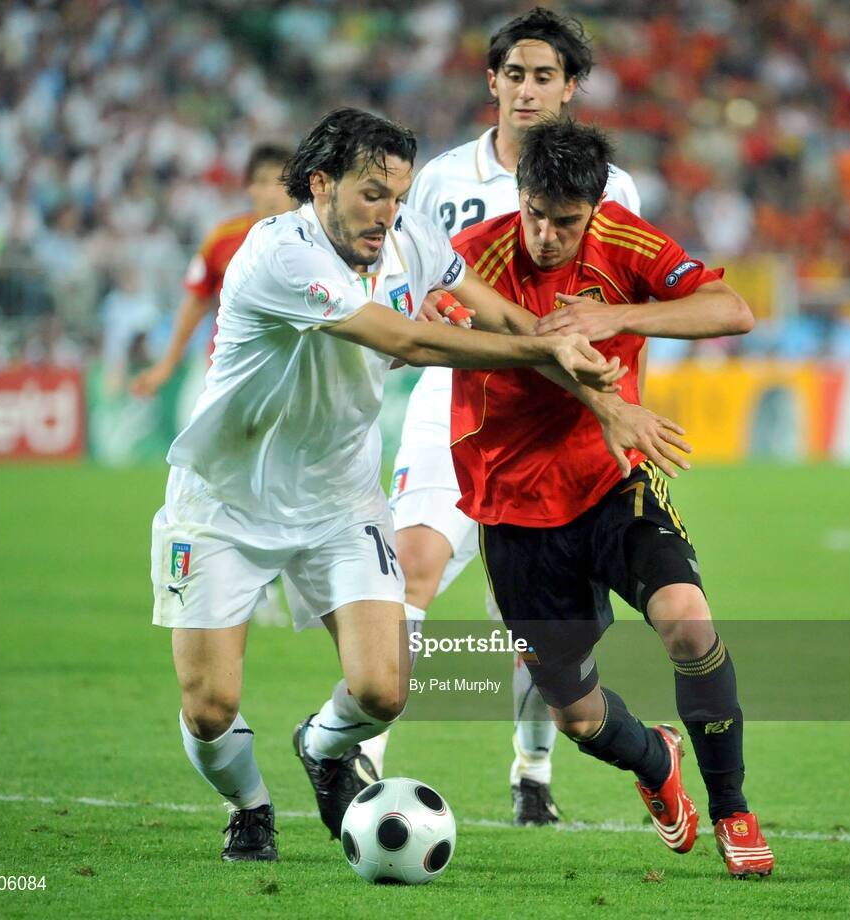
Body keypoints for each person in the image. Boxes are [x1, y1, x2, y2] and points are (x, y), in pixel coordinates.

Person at [149, 107, 678, 863]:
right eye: (371, 194)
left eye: (398, 195)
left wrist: (574, 363)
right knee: (210, 708)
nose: (388, 214)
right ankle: (250, 805)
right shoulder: (280, 255)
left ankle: (324, 747)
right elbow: (410, 338)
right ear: (320, 185)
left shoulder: (411, 238)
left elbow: (500, 313)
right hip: (225, 502)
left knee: (384, 690)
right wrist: (540, 356)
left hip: (341, 500)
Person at [449, 118, 774, 879]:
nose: (547, 235)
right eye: (535, 213)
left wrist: (618, 313)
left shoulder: (625, 241)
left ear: (594, 209)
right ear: (517, 195)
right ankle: (655, 758)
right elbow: (461, 336)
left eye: (566, 222)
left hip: (609, 476)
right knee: (575, 713)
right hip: (513, 504)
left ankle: (732, 810)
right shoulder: (474, 260)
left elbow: (732, 309)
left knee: (688, 622)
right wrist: (587, 372)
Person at [380, 5, 642, 827]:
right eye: (515, 75)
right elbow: (412, 285)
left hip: (553, 422)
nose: (528, 90)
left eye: (545, 76)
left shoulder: (613, 188)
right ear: (492, 81)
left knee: (533, 620)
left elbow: (622, 308)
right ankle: (361, 763)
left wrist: (614, 406)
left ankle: (532, 773)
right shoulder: (442, 182)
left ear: (571, 89)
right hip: (452, 402)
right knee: (411, 565)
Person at [129, 144, 296, 398]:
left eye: (279, 182)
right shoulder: (222, 239)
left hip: (293, 369)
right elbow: (196, 301)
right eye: (262, 182)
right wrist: (166, 366)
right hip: (230, 370)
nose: (271, 193)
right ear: (249, 187)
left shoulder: (314, 241)